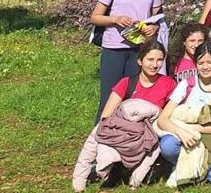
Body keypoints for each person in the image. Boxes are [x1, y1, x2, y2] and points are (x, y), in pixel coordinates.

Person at [72, 40, 171, 192]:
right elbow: (107, 115)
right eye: (150, 59)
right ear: (140, 60)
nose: (154, 64)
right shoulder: (127, 83)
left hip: (149, 134)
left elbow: (169, 113)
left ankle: (138, 173)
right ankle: (100, 171)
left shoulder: (168, 83)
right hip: (125, 131)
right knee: (101, 135)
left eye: (159, 60)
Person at [89, 0, 163, 118]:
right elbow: (95, 17)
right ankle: (100, 135)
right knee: (109, 96)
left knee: (132, 96)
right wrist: (116, 19)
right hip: (113, 48)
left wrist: (153, 28)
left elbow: (158, 18)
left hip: (138, 49)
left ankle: (126, 136)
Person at [156, 44, 211, 186]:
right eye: (200, 63)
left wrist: (194, 129)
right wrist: (182, 132)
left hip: (210, 137)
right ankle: (180, 166)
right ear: (195, 64)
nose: (205, 67)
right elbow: (163, 119)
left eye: (209, 62)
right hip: (184, 135)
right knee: (168, 145)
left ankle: (198, 168)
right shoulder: (187, 84)